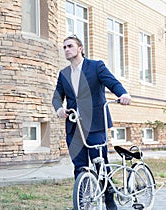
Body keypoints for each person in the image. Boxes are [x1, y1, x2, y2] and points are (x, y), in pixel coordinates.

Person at [52, 35, 131, 210]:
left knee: (99, 162)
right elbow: (57, 97)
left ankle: (109, 199)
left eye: (70, 46)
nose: (66, 49)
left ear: (80, 48)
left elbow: (112, 82)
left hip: (95, 125)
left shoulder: (96, 66)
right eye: (64, 47)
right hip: (74, 126)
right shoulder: (63, 74)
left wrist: (123, 94)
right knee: (79, 167)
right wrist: (58, 109)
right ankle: (82, 202)